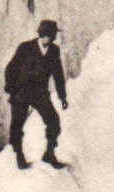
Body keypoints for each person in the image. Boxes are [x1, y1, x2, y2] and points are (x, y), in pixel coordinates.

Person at [4, 19, 68, 170]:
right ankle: (19, 155)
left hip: (40, 93)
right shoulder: (25, 48)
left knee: (53, 122)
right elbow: (10, 69)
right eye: (52, 35)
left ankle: (49, 154)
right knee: (17, 125)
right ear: (44, 35)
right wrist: (11, 90)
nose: (53, 39)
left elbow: (58, 74)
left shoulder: (54, 51)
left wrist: (62, 96)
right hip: (21, 91)